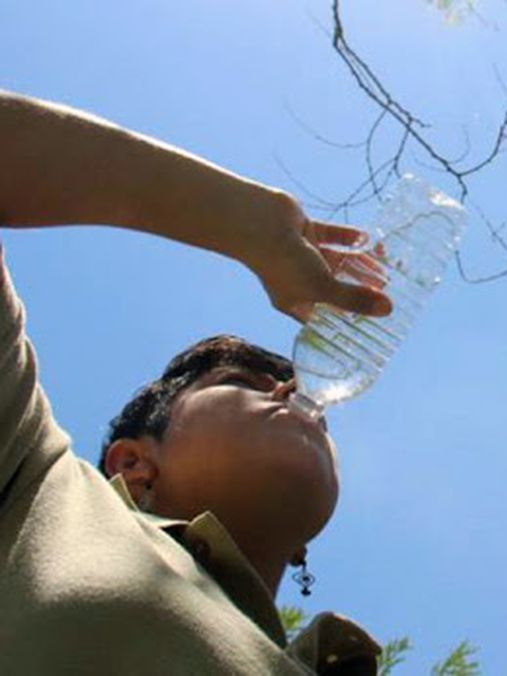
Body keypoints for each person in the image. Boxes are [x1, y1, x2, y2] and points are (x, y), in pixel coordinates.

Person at [0, 89, 393, 674]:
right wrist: (250, 225)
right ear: (132, 465)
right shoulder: (38, 490)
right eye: (245, 381)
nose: (293, 391)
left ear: (303, 544)